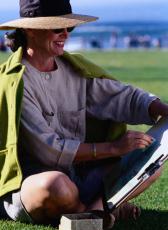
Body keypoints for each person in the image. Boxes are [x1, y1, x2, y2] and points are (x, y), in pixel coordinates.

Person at [0, 0, 168, 228]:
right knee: (56, 185)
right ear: (30, 29)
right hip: (32, 185)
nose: (66, 35)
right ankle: (103, 210)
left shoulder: (74, 69)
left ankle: (97, 211)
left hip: (81, 177)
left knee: (149, 162)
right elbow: (50, 151)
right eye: (58, 28)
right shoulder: (14, 82)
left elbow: (123, 97)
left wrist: (163, 109)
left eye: (70, 28)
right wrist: (113, 148)